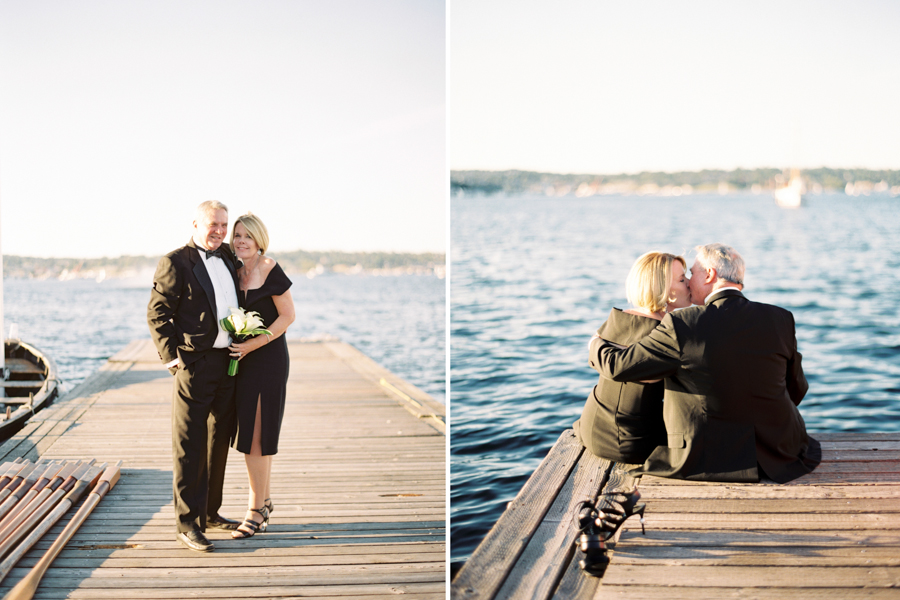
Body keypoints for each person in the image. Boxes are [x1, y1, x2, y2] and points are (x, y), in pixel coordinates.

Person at [595, 243, 821, 483]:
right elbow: (797, 388)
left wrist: (595, 342)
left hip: (712, 457)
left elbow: (618, 366)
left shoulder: (683, 323)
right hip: (784, 451)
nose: (689, 282)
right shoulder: (780, 318)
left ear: (710, 275)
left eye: (691, 274)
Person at [147, 200, 242, 553]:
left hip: (228, 363)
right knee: (188, 443)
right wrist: (172, 359)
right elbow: (157, 314)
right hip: (194, 365)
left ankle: (210, 512)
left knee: (219, 440)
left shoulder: (230, 257)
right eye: (213, 224)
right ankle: (187, 524)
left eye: (224, 224)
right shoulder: (175, 262)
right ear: (195, 224)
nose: (219, 230)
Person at [574, 251, 692, 464]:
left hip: (589, 426)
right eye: (683, 279)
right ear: (664, 289)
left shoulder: (621, 317)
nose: (690, 284)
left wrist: (593, 343)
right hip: (627, 443)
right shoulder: (667, 334)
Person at [227, 213, 295, 539]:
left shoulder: (270, 269)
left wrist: (253, 343)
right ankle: (264, 502)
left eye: (247, 236)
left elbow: (287, 317)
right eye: (237, 235)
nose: (241, 241)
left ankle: (255, 509)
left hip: (267, 360)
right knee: (253, 437)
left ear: (259, 240)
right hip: (242, 362)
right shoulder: (235, 271)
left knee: (256, 437)